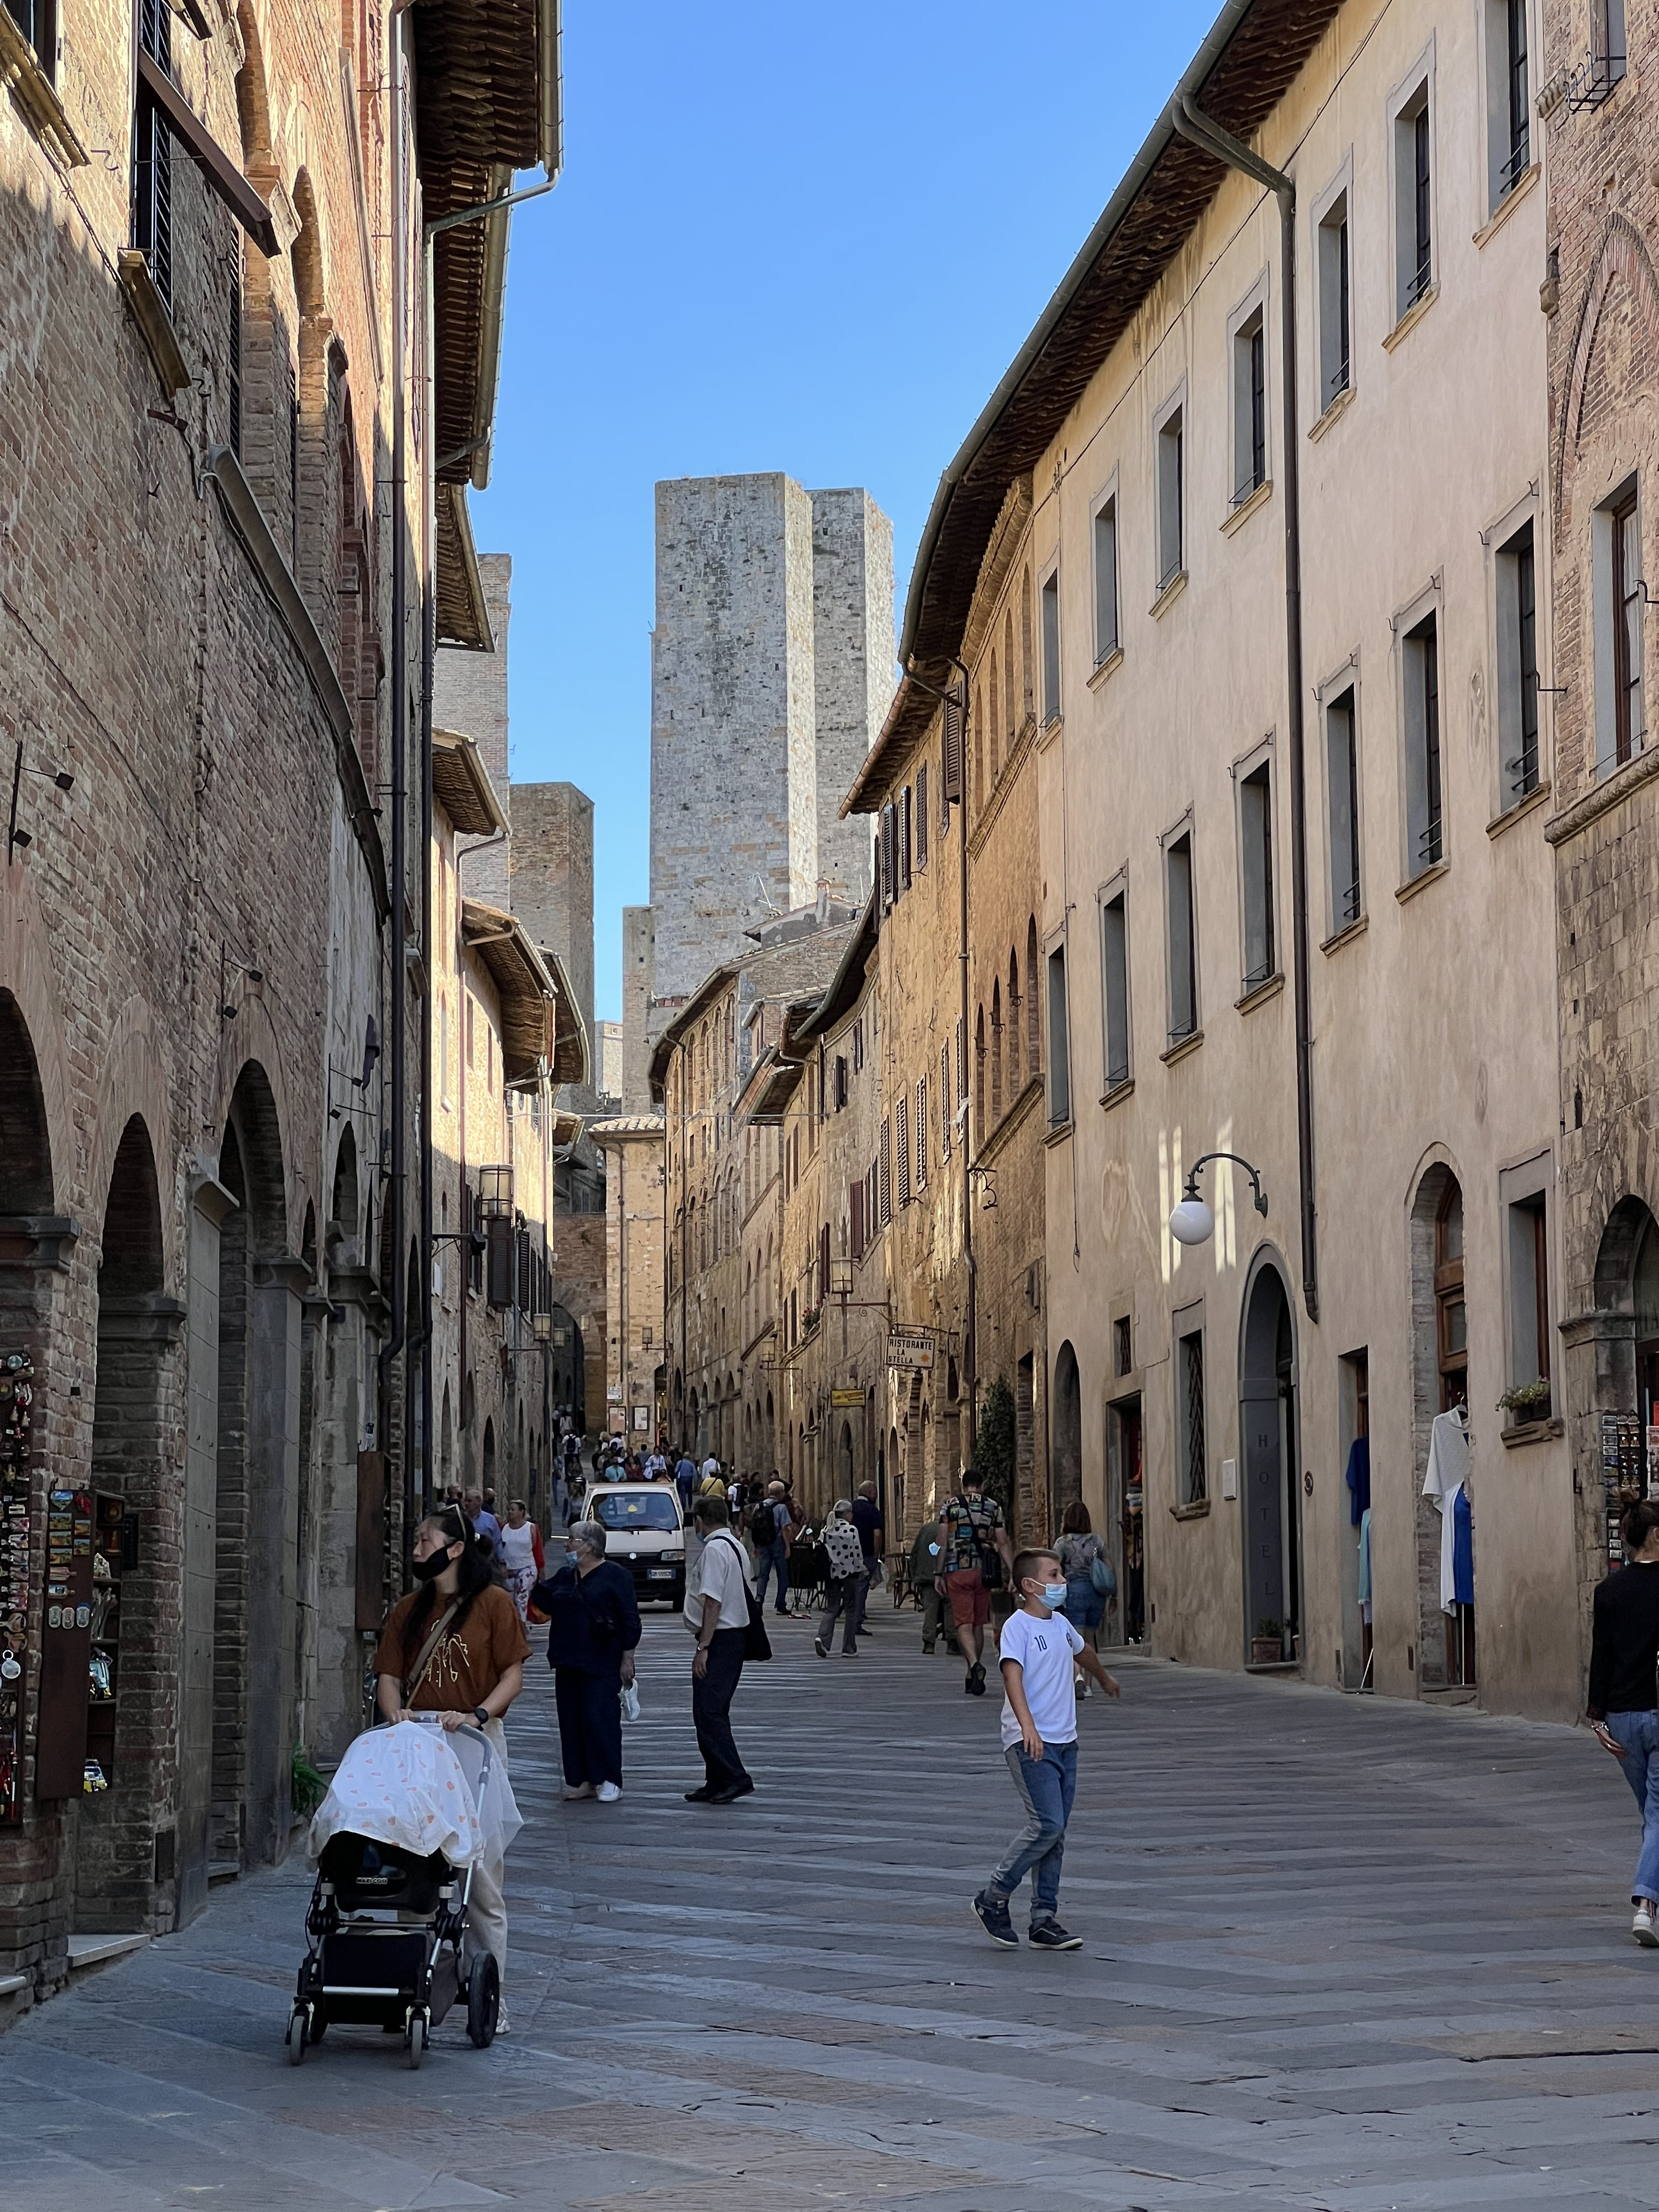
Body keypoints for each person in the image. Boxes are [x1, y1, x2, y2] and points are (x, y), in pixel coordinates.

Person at [374, 1505, 530, 2029]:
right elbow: (390, 1675)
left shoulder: (494, 1605)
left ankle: (493, 1996)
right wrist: (392, 1709)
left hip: (473, 1745)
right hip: (416, 1747)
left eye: (424, 1540)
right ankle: (411, 1983)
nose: (417, 1549)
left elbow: (512, 1675)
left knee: (480, 1876)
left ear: (455, 1548)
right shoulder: (406, 1610)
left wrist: (478, 1714)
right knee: (414, 1863)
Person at [972, 1546, 1120, 1952]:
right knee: (1047, 1825)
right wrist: (1027, 1727)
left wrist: (1104, 1678)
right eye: (1054, 1576)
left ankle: (1044, 1918)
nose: (1063, 1582)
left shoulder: (1061, 1625)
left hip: (1065, 1742)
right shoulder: (1017, 1628)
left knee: (1057, 1833)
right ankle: (993, 1896)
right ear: (1030, 1586)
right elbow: (1011, 1677)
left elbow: (1082, 1652)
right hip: (1029, 1743)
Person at [1587, 1499, 1659, 1944]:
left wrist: (1597, 1719)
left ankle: (1650, 1900)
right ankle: (1647, 1906)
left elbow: (1602, 1658)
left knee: (1654, 1815)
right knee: (1657, 1816)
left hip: (1623, 1717)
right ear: (1655, 1536)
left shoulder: (1608, 1592)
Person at [531, 1519, 640, 1804]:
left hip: (602, 1660)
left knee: (599, 1718)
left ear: (589, 1547)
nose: (568, 1544)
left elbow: (630, 1619)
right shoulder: (567, 1575)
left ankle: (609, 1778)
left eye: (573, 1540)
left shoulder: (616, 1576)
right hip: (568, 1659)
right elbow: (545, 1600)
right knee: (571, 1720)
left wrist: (628, 1657)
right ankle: (583, 1780)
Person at [684, 1495, 754, 1803]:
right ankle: (715, 1779)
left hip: (720, 1638)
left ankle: (735, 1776)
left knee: (709, 1712)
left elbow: (713, 1601)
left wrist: (704, 1646)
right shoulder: (736, 1545)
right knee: (711, 1710)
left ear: (700, 1521)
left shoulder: (714, 1549)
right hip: (733, 1637)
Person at [935, 1469, 1014, 1695]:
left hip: (956, 1570)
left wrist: (938, 1573)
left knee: (963, 1623)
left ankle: (974, 1665)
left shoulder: (949, 1507)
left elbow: (942, 1542)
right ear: (982, 1485)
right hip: (984, 1571)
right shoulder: (993, 1506)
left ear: (963, 1486)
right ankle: (972, 1673)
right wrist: (1013, 1573)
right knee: (978, 1623)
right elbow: (1004, 1542)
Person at [1055, 1500, 1112, 1691]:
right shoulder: (1097, 1541)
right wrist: (1115, 1595)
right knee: (1090, 1639)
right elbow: (1109, 1568)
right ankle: (1088, 1686)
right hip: (1096, 1594)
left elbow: (1054, 1567)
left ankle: (1077, 1676)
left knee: (1075, 1639)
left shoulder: (1063, 1543)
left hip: (1075, 1592)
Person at [814, 1501, 868, 1658]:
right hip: (849, 1574)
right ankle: (849, 1647)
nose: (852, 1516)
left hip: (831, 1574)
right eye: (850, 1513)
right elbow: (857, 1554)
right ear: (845, 1513)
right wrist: (863, 1571)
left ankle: (822, 1637)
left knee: (832, 1608)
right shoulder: (851, 1530)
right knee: (851, 1610)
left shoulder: (826, 1530)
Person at [748, 1478, 794, 1616]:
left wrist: (756, 1546)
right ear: (780, 1493)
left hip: (762, 1543)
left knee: (763, 1574)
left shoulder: (759, 1506)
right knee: (782, 1575)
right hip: (777, 1542)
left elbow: (755, 1528)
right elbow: (785, 1529)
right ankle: (781, 1604)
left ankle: (759, 1599)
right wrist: (788, 1547)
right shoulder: (781, 1507)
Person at [498, 1498, 544, 1620]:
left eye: (513, 1510)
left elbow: (537, 1548)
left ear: (522, 1512)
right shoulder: (503, 1529)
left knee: (521, 1597)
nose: (510, 1512)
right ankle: (513, 1625)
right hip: (509, 1569)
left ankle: (522, 1625)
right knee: (510, 1600)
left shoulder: (531, 1528)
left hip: (527, 1567)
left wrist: (541, 1568)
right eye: (509, 1510)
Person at [849, 1479, 885, 1639]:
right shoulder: (872, 1511)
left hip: (849, 1554)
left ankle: (853, 1617)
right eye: (875, 1493)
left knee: (851, 1586)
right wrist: (876, 1554)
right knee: (862, 1587)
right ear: (871, 1494)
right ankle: (856, 1622)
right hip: (867, 1553)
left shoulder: (851, 1508)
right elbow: (877, 1534)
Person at [464, 1486, 503, 1559]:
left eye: (469, 1501)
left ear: (479, 1501)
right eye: (465, 1501)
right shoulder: (462, 1519)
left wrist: (502, 1561)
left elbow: (498, 1541)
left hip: (486, 1560)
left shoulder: (490, 1519)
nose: (466, 1504)